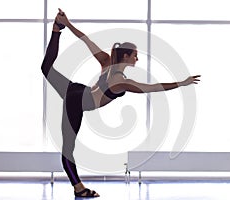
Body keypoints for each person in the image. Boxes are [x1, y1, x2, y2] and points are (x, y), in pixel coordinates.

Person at [41, 8, 201, 198]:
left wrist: (67, 25)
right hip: (77, 100)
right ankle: (78, 188)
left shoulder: (107, 62)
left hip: (77, 90)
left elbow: (86, 40)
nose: (137, 58)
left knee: (46, 68)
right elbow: (153, 87)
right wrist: (181, 83)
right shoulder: (121, 81)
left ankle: (56, 30)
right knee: (68, 149)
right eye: (134, 54)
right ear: (125, 56)